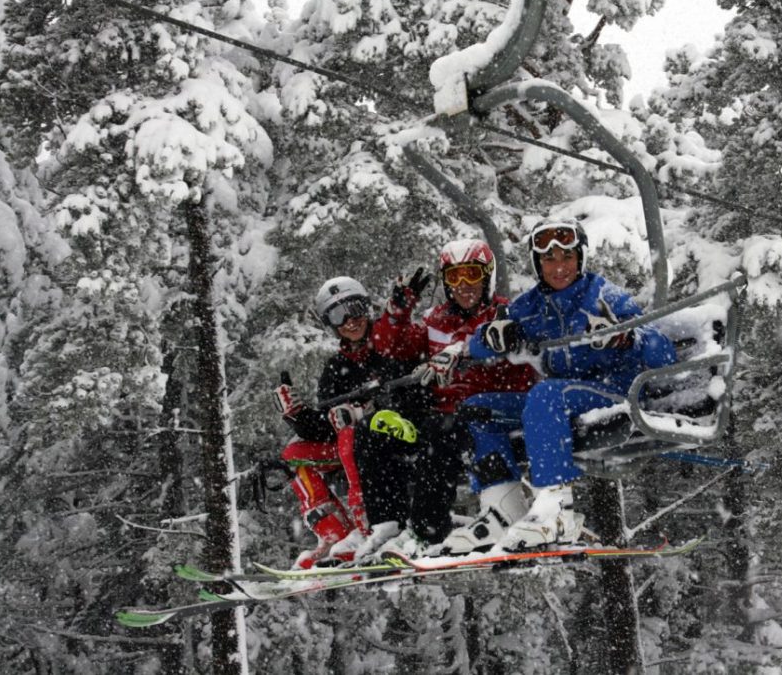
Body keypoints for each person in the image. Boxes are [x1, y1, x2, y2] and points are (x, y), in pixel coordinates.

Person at [440, 219, 677, 553]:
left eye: (567, 258)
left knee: (546, 394)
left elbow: (662, 353)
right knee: (478, 408)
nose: (559, 267)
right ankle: (502, 509)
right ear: (538, 264)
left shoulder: (604, 295)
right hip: (562, 397)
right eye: (549, 260)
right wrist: (495, 337)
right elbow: (484, 339)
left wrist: (627, 338)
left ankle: (556, 511)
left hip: (612, 392)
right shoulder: (533, 305)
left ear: (580, 258)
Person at [354, 238, 537, 559]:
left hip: (490, 416)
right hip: (441, 414)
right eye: (455, 278)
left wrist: (475, 357)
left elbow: (518, 359)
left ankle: (427, 531)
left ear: (488, 277)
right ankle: (387, 524)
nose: (464, 286)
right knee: (374, 429)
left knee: (442, 432)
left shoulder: (505, 314)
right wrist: (396, 314)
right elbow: (390, 348)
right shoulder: (436, 321)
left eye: (472, 276)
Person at [273, 276, 431, 568]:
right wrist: (297, 415)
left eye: (355, 309)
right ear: (330, 324)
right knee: (295, 456)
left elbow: (413, 391)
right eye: (338, 315)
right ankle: (333, 533)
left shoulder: (387, 345)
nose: (350, 321)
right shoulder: (336, 368)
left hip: (398, 436)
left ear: (367, 309)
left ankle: (368, 525)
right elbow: (325, 426)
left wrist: (365, 412)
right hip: (354, 446)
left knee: (350, 436)